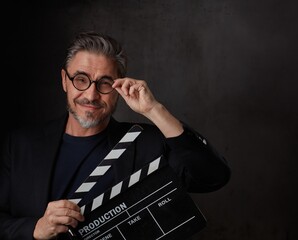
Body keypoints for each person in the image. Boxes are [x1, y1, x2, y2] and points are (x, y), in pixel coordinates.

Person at [0, 31, 231, 240]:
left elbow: (213, 175)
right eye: (81, 79)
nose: (91, 95)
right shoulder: (20, 145)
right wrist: (34, 228)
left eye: (105, 83)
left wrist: (154, 110)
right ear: (64, 81)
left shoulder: (145, 144)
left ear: (119, 88)